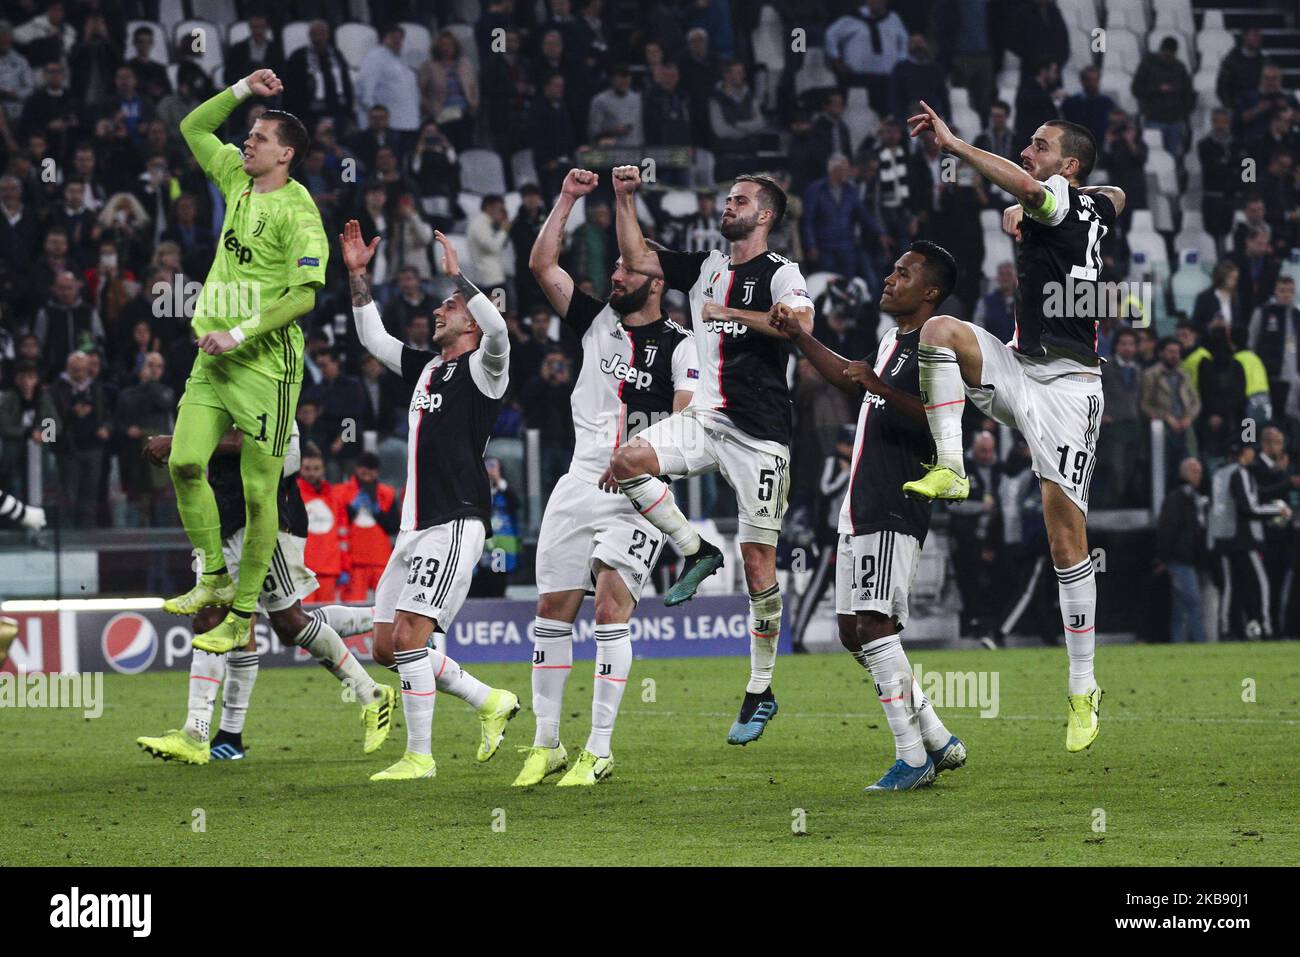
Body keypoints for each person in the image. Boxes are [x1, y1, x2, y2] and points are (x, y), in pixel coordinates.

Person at [901, 101, 1125, 752]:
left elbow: (1030, 193)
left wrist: (953, 143)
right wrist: (1060, 202)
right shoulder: (1090, 202)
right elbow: (1113, 192)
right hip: (1022, 365)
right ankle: (951, 463)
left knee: (1064, 538)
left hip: (1072, 386)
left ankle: (1082, 688)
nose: (1028, 151)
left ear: (1067, 165)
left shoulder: (1054, 195)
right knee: (938, 330)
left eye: (1039, 144)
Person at [609, 165, 815, 745]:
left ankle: (760, 688)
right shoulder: (705, 265)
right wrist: (625, 197)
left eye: (740, 200)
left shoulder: (781, 271)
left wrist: (734, 315)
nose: (729, 206)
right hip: (705, 417)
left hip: (762, 435)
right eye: (727, 198)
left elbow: (800, 323)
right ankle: (693, 548)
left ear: (765, 215)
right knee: (628, 461)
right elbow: (638, 257)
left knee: (758, 567)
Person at [517, 167, 698, 787]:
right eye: (615, 271)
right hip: (576, 480)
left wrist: (637, 456)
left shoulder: (681, 343)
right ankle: (546, 744)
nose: (614, 277)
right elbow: (544, 266)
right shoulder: (596, 322)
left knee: (611, 608)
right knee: (552, 609)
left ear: (656, 283)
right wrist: (566, 198)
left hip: (635, 489)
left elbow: (687, 413)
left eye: (626, 271)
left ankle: (599, 747)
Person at [772, 243, 966, 791]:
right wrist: (800, 338)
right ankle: (935, 734)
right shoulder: (893, 341)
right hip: (861, 502)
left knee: (875, 625)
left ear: (928, 291)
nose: (889, 278)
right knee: (851, 632)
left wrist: (878, 386)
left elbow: (944, 419)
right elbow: (852, 378)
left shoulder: (935, 346)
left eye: (903, 274)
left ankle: (912, 757)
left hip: (895, 498)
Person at [342, 220, 520, 782]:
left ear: (470, 317)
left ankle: (420, 756)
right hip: (414, 526)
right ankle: (490, 700)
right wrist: (357, 276)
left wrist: (461, 279)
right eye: (441, 305)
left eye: (450, 307)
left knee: (413, 637)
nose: (437, 312)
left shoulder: (485, 370)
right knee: (385, 646)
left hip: (456, 521)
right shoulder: (427, 370)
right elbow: (373, 339)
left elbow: (500, 333)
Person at [161, 69, 328, 659]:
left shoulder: (299, 212)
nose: (247, 142)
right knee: (184, 463)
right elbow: (191, 125)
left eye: (259, 137)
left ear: (286, 154)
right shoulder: (235, 175)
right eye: (249, 135)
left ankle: (238, 615)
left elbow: (305, 295)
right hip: (214, 357)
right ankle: (211, 574)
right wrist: (241, 90)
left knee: (261, 497)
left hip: (266, 367)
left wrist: (240, 331)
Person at [136, 426, 395, 764]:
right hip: (220, 516)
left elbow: (251, 441)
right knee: (211, 619)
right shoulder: (213, 385)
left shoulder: (267, 383)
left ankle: (372, 684)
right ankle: (200, 733)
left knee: (288, 623)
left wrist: (179, 441)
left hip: (260, 516)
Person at [1208, 442, 1291, 640]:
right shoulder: (1241, 473)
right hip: (1242, 539)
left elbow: (1256, 494)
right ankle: (1266, 627)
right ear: (1245, 453)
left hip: (1221, 539)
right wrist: (1279, 511)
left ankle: (1226, 631)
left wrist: (1286, 483)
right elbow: (1249, 508)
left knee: (1229, 587)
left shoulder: (1220, 474)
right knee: (1260, 583)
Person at [948, 431, 1005, 645]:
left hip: (994, 538)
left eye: (990, 451)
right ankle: (971, 628)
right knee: (968, 584)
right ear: (974, 448)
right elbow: (951, 504)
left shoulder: (1000, 469)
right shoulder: (960, 467)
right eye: (983, 450)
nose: (987, 455)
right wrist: (982, 506)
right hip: (966, 539)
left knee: (994, 585)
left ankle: (991, 629)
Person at [334, 451, 399, 603]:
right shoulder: (341, 492)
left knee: (387, 605)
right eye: (364, 472)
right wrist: (351, 509)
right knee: (353, 607)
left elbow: (393, 527)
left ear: (377, 472)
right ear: (357, 469)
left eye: (371, 473)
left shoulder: (387, 493)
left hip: (380, 559)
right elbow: (337, 525)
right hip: (354, 560)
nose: (367, 477)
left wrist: (378, 513)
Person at [1156, 457, 1209, 643]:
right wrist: (1164, 558)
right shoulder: (1177, 499)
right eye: (1195, 471)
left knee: (1180, 608)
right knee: (1193, 603)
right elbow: (1167, 530)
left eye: (1200, 471)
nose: (1199, 475)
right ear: (1184, 473)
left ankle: (1179, 643)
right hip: (1180, 560)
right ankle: (1201, 642)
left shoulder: (1194, 498)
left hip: (1187, 559)